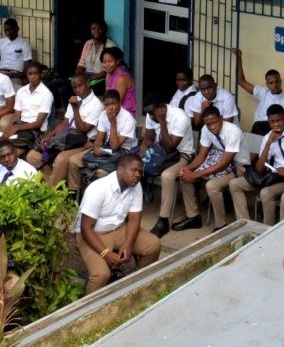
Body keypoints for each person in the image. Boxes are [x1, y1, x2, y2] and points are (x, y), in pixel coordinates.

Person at [74, 153, 162, 294]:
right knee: (101, 275)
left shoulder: (135, 186)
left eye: (140, 171)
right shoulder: (99, 188)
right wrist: (105, 253)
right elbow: (86, 228)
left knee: (153, 245)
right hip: (93, 234)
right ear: (120, 170)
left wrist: (128, 244)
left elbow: (134, 218)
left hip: (118, 228)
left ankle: (135, 286)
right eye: (133, 170)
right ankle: (90, 311)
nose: (138, 175)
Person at [229, 103, 284, 225]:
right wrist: (268, 144)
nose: (276, 124)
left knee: (266, 193)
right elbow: (259, 169)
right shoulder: (267, 138)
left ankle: (267, 227)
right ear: (268, 122)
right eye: (272, 122)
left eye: (279, 120)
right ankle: (244, 224)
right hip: (277, 177)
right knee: (235, 184)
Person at [176, 105, 249, 232]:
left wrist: (196, 174)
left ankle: (221, 225)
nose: (212, 127)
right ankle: (193, 217)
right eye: (208, 124)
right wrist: (188, 169)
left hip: (238, 167)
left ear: (221, 118)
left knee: (212, 185)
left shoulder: (233, 131)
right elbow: (202, 156)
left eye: (214, 122)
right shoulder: (206, 129)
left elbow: (225, 163)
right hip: (218, 160)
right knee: (184, 178)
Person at [29, 72, 102, 185]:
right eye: (74, 87)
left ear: (88, 83)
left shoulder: (97, 105)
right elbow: (65, 123)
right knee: (32, 156)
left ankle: (52, 191)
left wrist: (75, 108)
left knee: (61, 159)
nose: (78, 89)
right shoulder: (74, 99)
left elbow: (82, 131)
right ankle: (55, 183)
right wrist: (50, 135)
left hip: (84, 141)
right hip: (66, 138)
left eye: (80, 85)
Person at [142, 93, 197, 238]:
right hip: (161, 152)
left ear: (161, 107)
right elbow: (148, 139)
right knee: (134, 166)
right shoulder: (151, 114)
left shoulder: (180, 117)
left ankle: (163, 220)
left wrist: (161, 122)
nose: (151, 116)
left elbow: (171, 147)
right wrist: (142, 153)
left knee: (167, 176)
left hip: (181, 155)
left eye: (153, 113)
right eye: (148, 113)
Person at [233, 48, 284, 135]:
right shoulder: (263, 92)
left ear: (281, 81)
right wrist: (239, 59)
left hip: (273, 132)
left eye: (277, 81)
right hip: (256, 130)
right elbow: (241, 81)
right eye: (271, 83)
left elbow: (281, 124)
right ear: (267, 84)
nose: (275, 85)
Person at [100, 46, 136, 115]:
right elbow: (108, 96)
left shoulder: (122, 78)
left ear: (117, 61)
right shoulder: (108, 74)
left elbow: (115, 103)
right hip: (112, 109)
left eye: (110, 61)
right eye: (104, 62)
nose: (107, 65)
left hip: (125, 114)